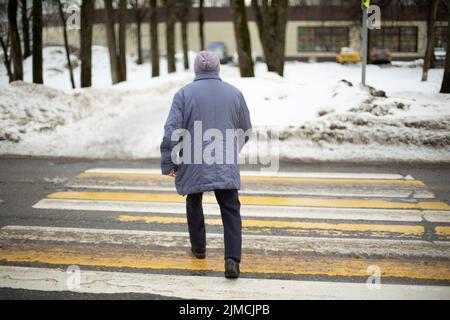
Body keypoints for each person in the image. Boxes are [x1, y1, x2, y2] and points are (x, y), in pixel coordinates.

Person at [160, 51, 252, 279]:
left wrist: (169, 161)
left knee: (194, 200)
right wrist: (230, 150)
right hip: (224, 159)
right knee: (230, 208)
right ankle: (232, 259)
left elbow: (172, 131)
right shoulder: (234, 94)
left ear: (196, 70)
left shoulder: (184, 94)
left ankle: (199, 248)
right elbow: (245, 129)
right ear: (218, 68)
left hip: (193, 160)